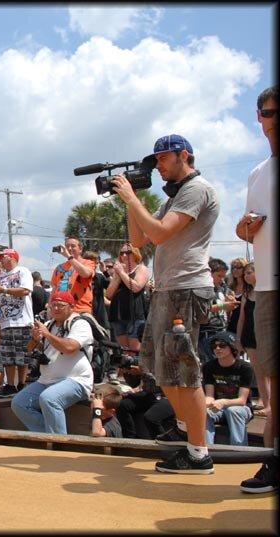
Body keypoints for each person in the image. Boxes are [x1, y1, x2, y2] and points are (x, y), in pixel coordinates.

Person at [113, 133, 219, 475]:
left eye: (163, 159)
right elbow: (138, 240)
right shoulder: (173, 197)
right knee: (163, 370)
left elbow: (159, 234)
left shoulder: (195, 189)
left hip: (186, 290)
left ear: (183, 156)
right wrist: (132, 201)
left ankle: (199, 453)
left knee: (185, 373)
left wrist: (132, 197)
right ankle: (187, 431)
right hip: (167, 290)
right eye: (156, 159)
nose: (157, 165)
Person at [235, 85, 278, 493]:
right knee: (274, 379)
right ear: (259, 117)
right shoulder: (257, 173)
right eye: (269, 111)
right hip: (267, 286)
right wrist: (245, 227)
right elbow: (244, 226)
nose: (274, 118)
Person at [11, 292, 94, 435]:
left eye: (61, 306)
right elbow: (30, 349)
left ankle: (58, 442)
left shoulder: (80, 324)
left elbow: (69, 348)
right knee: (19, 403)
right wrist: (35, 339)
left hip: (76, 380)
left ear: (71, 307)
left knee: (49, 398)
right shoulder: (49, 325)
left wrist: (47, 335)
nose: (55, 309)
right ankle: (47, 435)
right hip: (46, 381)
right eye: (53, 305)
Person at [0, 248, 33, 396]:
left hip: (22, 320)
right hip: (6, 321)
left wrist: (5, 290)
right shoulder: (0, 276)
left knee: (22, 354)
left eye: (4, 256)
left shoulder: (23, 271)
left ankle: (22, 382)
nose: (0, 260)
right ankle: (10, 385)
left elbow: (26, 290)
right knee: (7, 356)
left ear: (13, 257)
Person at [202, 331, 254, 446]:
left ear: (231, 347)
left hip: (241, 408)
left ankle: (239, 450)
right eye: (214, 346)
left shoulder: (245, 368)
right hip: (218, 408)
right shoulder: (209, 367)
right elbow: (209, 396)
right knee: (203, 412)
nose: (218, 349)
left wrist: (223, 402)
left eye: (222, 345)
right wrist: (204, 404)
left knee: (233, 410)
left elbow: (242, 401)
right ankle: (206, 449)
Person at [106, 243, 150, 354]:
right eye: (122, 253)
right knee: (123, 350)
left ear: (135, 254)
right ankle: (126, 370)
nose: (124, 255)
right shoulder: (119, 272)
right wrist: (118, 276)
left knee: (134, 349)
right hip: (119, 314)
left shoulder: (141, 269)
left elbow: (136, 287)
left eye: (128, 252)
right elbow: (109, 294)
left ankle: (138, 370)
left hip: (135, 314)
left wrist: (122, 273)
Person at [236, 263, 267, 416]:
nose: (247, 276)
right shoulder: (246, 295)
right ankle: (265, 401)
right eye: (245, 273)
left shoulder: (267, 293)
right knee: (259, 372)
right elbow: (241, 319)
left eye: (250, 272)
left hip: (266, 335)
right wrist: (238, 339)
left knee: (269, 370)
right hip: (249, 336)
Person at [198, 258, 237, 363]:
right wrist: (223, 306)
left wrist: (231, 300)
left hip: (221, 329)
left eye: (223, 276)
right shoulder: (202, 289)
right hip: (207, 332)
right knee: (212, 362)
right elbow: (202, 309)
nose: (222, 279)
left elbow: (229, 295)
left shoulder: (221, 288)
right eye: (219, 276)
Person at [50, 237, 96, 314]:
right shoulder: (59, 268)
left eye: (73, 246)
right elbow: (54, 289)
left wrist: (69, 257)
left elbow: (85, 274)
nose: (69, 248)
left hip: (80, 310)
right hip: (61, 311)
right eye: (67, 246)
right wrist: (50, 307)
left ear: (80, 249)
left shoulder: (88, 263)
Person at [226, 258, 249, 335]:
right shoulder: (230, 287)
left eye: (238, 267)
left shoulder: (250, 287)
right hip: (233, 322)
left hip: (247, 323)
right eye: (233, 267)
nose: (235, 270)